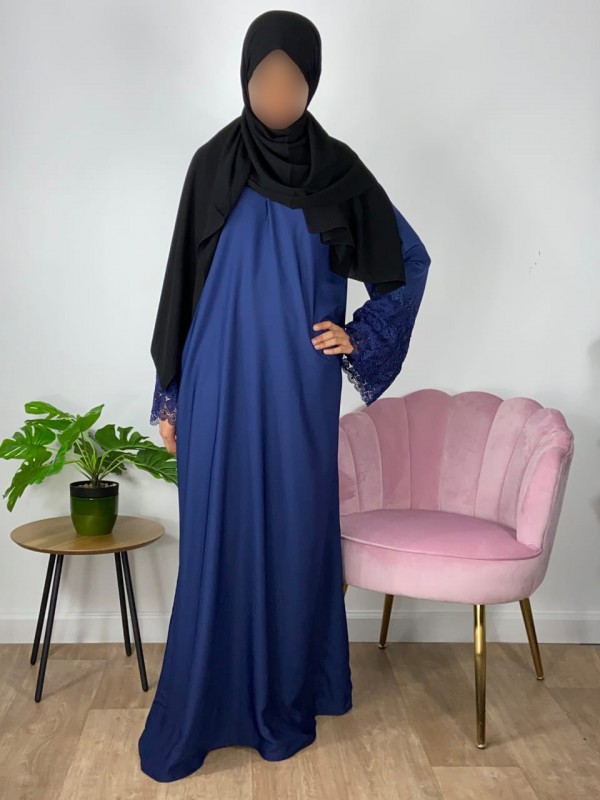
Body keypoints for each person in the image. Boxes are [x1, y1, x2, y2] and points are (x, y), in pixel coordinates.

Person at [139, 10, 431, 783]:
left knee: (295, 531)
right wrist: (171, 393)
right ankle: (207, 705)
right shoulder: (213, 164)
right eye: (263, 78)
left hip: (297, 384)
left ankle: (292, 689)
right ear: (244, 80)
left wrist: (358, 336)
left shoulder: (339, 173)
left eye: (292, 79)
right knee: (219, 531)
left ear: (312, 83)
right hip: (216, 377)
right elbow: (182, 284)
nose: (276, 93)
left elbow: (407, 259)